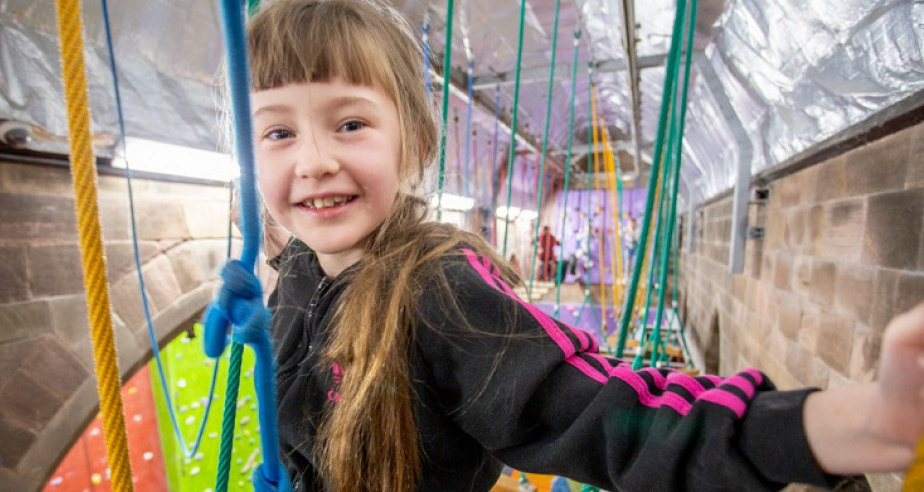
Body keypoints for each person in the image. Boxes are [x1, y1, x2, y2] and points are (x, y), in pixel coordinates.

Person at [241, 1, 924, 491]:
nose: (315, 161)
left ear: (415, 144)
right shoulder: (298, 270)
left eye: (350, 123)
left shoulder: (439, 291)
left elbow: (607, 419)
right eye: (278, 133)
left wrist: (841, 426)